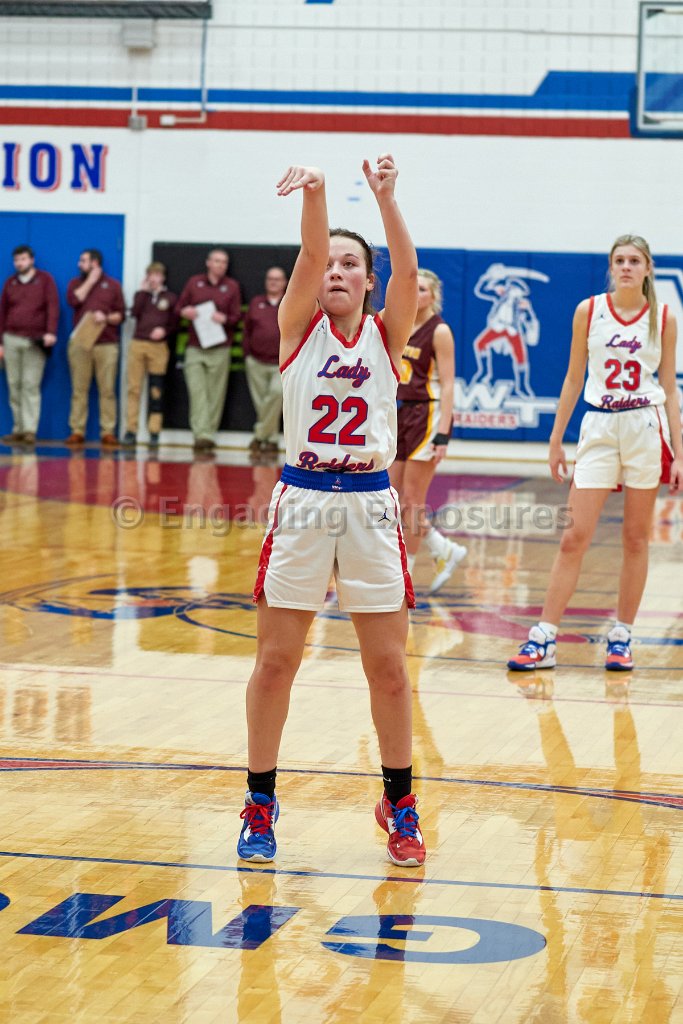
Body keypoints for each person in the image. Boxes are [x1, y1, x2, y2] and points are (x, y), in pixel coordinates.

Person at [237, 155, 426, 868]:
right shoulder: (296, 327)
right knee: (275, 662)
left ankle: (399, 802)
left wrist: (387, 199)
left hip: (370, 503)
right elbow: (311, 253)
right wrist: (315, 195)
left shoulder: (385, 333)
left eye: (353, 264)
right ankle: (260, 801)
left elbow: (407, 271)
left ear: (369, 280)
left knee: (389, 669)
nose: (338, 271)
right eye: (332, 264)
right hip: (304, 501)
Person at [508, 234, 682, 674]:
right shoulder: (589, 310)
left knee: (635, 539)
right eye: (619, 260)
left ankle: (621, 635)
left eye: (634, 260)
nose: (626, 267)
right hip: (599, 425)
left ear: (648, 269)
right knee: (574, 536)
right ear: (611, 266)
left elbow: (669, 389)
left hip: (645, 427)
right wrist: (555, 438)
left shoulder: (663, 318)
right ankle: (544, 637)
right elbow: (573, 378)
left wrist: (679, 453)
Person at [389, 269, 467, 594]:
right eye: (413, 288)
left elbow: (448, 385)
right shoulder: (400, 323)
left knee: (412, 500)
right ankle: (443, 549)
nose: (416, 293)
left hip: (429, 413)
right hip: (402, 411)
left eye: (422, 289)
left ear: (434, 296)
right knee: (390, 496)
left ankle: (405, 571)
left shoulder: (440, 331)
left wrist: (443, 434)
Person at [175, 248, 242, 451]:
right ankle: (200, 435)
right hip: (195, 346)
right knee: (197, 392)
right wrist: (186, 312)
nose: (220, 265)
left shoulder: (232, 286)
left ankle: (208, 434)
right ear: (208, 263)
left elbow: (236, 317)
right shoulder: (194, 282)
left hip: (220, 347)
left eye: (224, 262)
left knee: (215, 394)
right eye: (217, 261)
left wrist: (225, 319)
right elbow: (179, 308)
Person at [0, 244, 59, 445]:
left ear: (31, 260)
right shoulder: (10, 283)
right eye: (16, 260)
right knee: (13, 384)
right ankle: (17, 429)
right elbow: (2, 312)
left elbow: (52, 306)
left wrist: (51, 332)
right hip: (11, 339)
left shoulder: (45, 280)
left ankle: (29, 430)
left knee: (30, 385)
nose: (19, 263)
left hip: (35, 340)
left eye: (23, 259)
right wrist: (1, 343)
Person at [66, 249, 125, 446]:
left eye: (83, 260)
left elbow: (121, 315)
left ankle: (107, 431)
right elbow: (73, 300)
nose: (79, 264)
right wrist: (90, 281)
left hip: (106, 344)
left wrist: (105, 317)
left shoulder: (113, 285)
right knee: (79, 389)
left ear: (95, 263)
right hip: (81, 343)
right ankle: (77, 430)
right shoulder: (75, 283)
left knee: (107, 389)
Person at [122, 262, 177, 447]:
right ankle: (131, 430)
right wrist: (143, 292)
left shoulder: (170, 297)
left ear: (163, 277)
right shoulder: (141, 296)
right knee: (134, 388)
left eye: (157, 275)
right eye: (150, 275)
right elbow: (134, 313)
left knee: (156, 389)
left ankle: (154, 431)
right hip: (138, 343)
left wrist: (164, 331)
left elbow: (175, 323)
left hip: (158, 347)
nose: (153, 278)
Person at [243, 266, 288, 457]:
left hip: (281, 363)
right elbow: (247, 329)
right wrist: (247, 354)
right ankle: (270, 441)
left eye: (277, 279)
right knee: (262, 404)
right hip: (256, 361)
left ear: (284, 282)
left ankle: (259, 436)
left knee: (276, 395)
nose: (273, 282)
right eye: (270, 279)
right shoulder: (256, 302)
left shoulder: (290, 302)